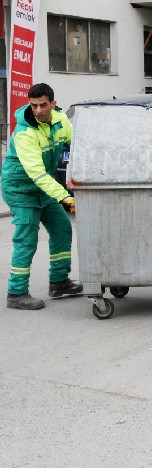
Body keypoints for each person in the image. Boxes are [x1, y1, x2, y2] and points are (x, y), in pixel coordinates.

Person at [2, 83, 82, 310]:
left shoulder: (60, 121)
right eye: (34, 105)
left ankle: (59, 282)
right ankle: (16, 293)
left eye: (43, 105)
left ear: (53, 104)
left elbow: (76, 146)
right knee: (27, 240)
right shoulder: (25, 132)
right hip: (21, 189)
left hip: (43, 188)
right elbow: (36, 173)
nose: (38, 110)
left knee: (62, 228)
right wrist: (66, 197)